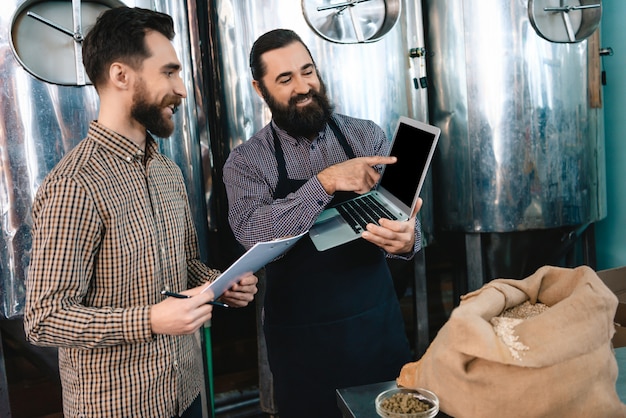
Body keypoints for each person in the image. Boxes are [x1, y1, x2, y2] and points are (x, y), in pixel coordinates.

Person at [23, 7, 258, 418]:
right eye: (169, 72)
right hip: (119, 407)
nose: (182, 89)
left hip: (185, 390)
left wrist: (219, 285)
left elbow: (184, 267)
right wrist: (149, 320)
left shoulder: (167, 170)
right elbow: (44, 318)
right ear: (120, 76)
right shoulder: (75, 184)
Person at [223, 28, 422, 418]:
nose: (303, 86)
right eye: (285, 79)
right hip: (302, 344)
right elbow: (251, 232)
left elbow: (409, 219)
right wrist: (326, 182)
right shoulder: (247, 162)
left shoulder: (366, 136)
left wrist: (408, 241)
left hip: (375, 327)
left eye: (308, 71)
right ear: (259, 89)